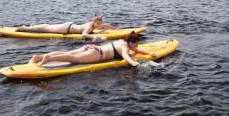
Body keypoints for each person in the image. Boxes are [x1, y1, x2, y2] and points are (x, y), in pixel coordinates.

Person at [28, 31, 156, 67]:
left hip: (91, 47)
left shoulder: (121, 41)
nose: (137, 47)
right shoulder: (124, 48)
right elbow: (126, 56)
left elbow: (137, 52)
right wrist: (134, 63)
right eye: (137, 44)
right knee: (72, 59)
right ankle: (47, 60)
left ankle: (39, 57)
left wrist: (149, 52)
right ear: (131, 43)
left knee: (68, 53)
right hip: (96, 54)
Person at [16, 15, 119, 39]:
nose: (100, 26)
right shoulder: (89, 26)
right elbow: (84, 35)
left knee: (47, 26)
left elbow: (106, 25)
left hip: (70, 25)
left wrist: (117, 29)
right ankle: (24, 28)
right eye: (99, 24)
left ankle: (27, 27)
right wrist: (95, 37)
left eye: (101, 24)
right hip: (67, 29)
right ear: (95, 22)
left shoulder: (96, 24)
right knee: (46, 28)